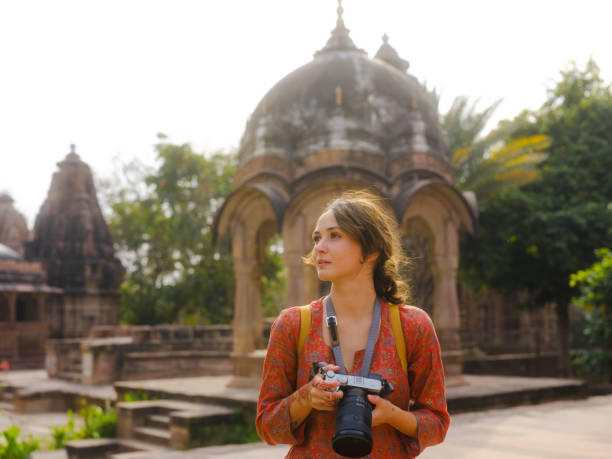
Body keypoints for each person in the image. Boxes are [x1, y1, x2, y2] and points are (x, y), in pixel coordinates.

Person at [256, 190, 449, 458]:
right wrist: (306, 398)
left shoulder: (412, 325)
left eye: (335, 235)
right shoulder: (292, 324)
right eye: (317, 238)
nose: (319, 247)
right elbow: (267, 426)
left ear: (371, 250)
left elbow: (437, 424)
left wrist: (392, 415)